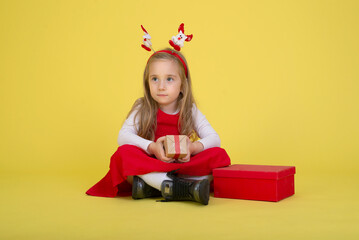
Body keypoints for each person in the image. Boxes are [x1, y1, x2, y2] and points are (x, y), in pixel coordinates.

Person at [86, 48, 231, 205]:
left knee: (219, 155)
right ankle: (184, 188)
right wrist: (152, 147)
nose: (161, 86)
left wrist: (193, 148)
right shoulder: (142, 107)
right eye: (155, 79)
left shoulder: (190, 109)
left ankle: (153, 186)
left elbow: (215, 138)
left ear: (183, 85)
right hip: (151, 163)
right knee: (123, 154)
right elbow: (123, 136)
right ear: (147, 83)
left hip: (181, 164)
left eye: (169, 79)